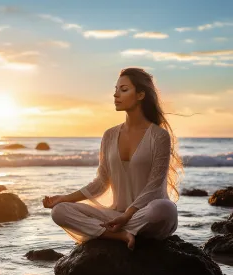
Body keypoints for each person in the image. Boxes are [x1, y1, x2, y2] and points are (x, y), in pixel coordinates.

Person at [42, 67, 184, 250]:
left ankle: (114, 230)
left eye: (123, 90)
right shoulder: (109, 135)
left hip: (147, 216)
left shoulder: (159, 136)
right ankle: (119, 235)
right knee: (60, 212)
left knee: (164, 209)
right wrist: (64, 198)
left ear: (141, 95)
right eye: (115, 90)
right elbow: (101, 182)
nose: (116, 95)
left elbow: (154, 186)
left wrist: (127, 216)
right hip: (115, 215)